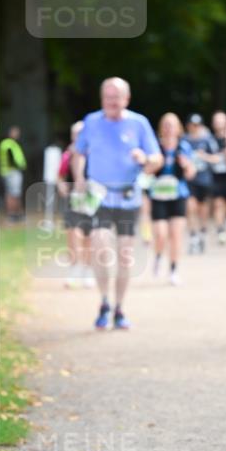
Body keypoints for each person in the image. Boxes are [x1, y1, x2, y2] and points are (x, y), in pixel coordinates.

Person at [73, 77, 162, 330]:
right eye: (107, 96)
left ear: (127, 98)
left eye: (116, 96)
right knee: (101, 247)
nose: (112, 101)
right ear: (102, 98)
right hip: (99, 195)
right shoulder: (91, 122)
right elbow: (80, 152)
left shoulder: (139, 123)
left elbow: (157, 158)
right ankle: (103, 301)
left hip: (127, 196)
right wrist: (79, 176)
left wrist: (145, 158)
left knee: (124, 255)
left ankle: (120, 307)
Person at [150, 113, 196, 286]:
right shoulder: (155, 147)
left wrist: (186, 165)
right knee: (161, 234)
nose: (169, 128)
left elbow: (192, 173)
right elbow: (146, 171)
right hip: (159, 196)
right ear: (162, 128)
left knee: (176, 236)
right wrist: (155, 164)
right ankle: (158, 256)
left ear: (178, 128)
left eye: (173, 125)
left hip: (178, 195)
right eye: (166, 124)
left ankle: (173, 270)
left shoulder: (184, 147)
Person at [56, 121, 93, 287]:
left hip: (91, 198)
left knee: (89, 235)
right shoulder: (67, 155)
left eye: (80, 134)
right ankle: (74, 268)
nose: (77, 137)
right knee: (73, 232)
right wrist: (61, 185)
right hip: (73, 198)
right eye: (75, 134)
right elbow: (60, 176)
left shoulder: (93, 153)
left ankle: (87, 269)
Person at [185, 114, 216, 254]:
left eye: (197, 125)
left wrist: (204, 156)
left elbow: (216, 158)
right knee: (190, 207)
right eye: (192, 125)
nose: (194, 128)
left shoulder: (207, 140)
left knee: (202, 209)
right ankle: (193, 235)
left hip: (204, 179)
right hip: (189, 180)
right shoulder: (184, 141)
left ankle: (202, 231)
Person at [209, 110, 226, 244]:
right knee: (218, 204)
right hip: (216, 176)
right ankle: (220, 230)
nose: (219, 123)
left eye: (221, 120)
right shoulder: (210, 140)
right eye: (217, 121)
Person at [0, 125, 26, 223]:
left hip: (9, 171)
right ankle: (13, 214)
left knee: (13, 193)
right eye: (15, 132)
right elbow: (11, 158)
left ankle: (16, 214)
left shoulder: (11, 143)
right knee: (13, 193)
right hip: (11, 171)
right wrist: (20, 166)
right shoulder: (9, 144)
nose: (17, 134)